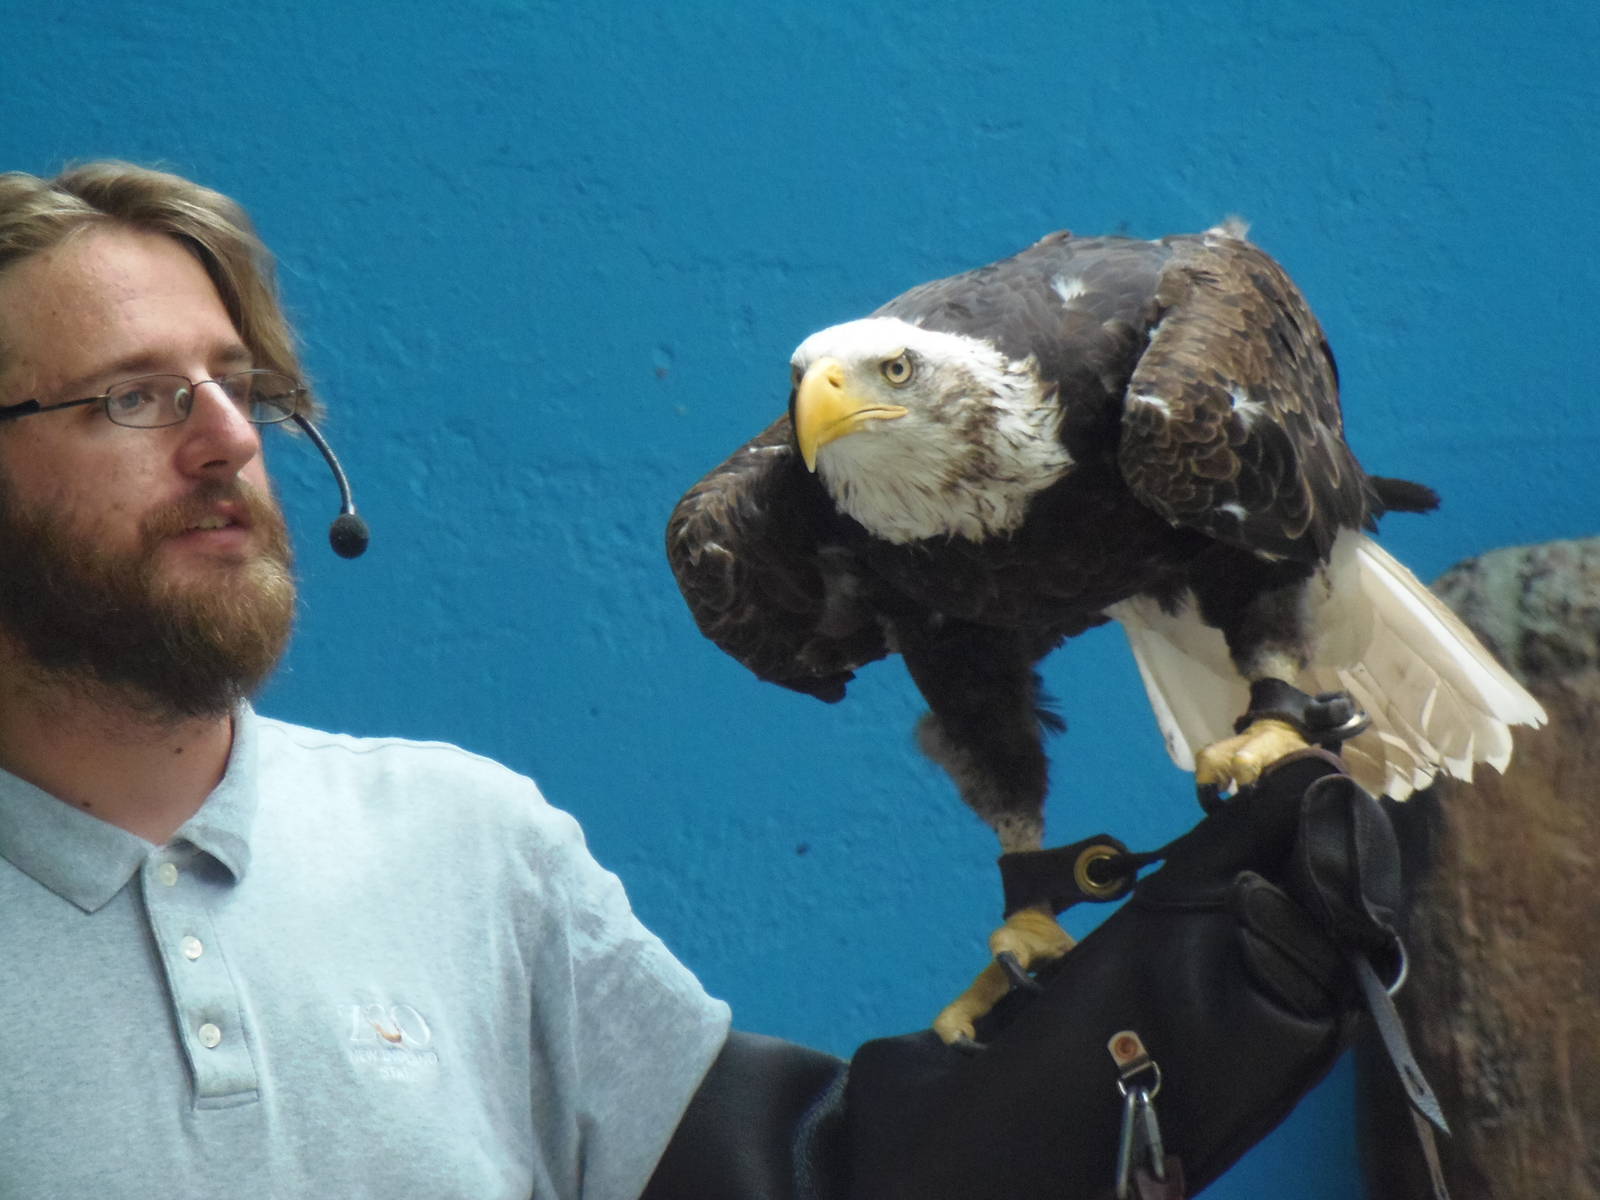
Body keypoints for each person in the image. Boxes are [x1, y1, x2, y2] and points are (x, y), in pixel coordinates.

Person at [0, 162, 1408, 1200]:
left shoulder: (463, 848)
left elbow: (814, 1187)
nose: (228, 440)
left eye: (242, 386)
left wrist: (1193, 997)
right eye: (133, 397)